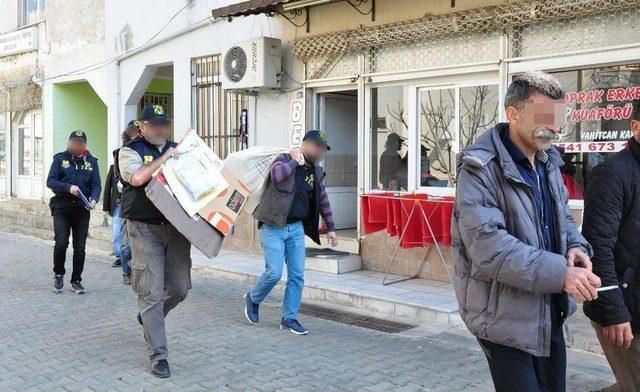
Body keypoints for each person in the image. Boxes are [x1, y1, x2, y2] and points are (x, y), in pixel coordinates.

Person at [451, 71, 601, 392]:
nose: (556, 127)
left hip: (549, 311)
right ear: (513, 114)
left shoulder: (548, 163)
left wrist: (576, 249)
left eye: (558, 117)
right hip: (503, 317)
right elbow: (488, 247)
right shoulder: (479, 168)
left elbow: (563, 221)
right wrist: (563, 274)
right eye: (545, 116)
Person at [118, 105, 190, 378]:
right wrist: (165, 158)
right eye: (155, 124)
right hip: (144, 228)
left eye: (165, 124)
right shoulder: (130, 150)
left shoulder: (178, 148)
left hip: (178, 228)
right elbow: (137, 178)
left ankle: (149, 317)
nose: (161, 129)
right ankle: (158, 354)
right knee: (151, 292)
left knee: (180, 288)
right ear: (142, 126)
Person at [245, 130, 338, 335]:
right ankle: (253, 298)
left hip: (296, 229)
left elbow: (322, 199)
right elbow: (277, 176)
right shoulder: (284, 159)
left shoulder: (315, 172)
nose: (319, 151)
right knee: (274, 273)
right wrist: (295, 161)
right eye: (316, 146)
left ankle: (289, 318)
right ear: (304, 144)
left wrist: (330, 227)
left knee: (297, 275)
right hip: (273, 227)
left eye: (322, 148)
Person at [582, 99, 640, 392]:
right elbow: (597, 248)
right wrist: (613, 312)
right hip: (626, 312)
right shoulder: (613, 174)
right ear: (635, 127)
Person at [46, 130, 101, 294]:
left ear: (85, 145)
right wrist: (68, 187)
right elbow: (51, 181)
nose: (77, 145)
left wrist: (94, 199)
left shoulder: (92, 162)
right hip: (61, 208)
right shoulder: (59, 159)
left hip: (82, 210)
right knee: (61, 243)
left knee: (80, 247)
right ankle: (58, 274)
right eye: (74, 142)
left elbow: (96, 184)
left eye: (80, 143)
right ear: (69, 143)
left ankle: (76, 280)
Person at [103, 121, 139, 284]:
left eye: (137, 131)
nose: (135, 134)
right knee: (122, 237)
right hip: (123, 203)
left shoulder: (149, 152)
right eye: (132, 132)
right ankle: (126, 269)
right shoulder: (120, 153)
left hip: (142, 204)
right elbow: (114, 181)